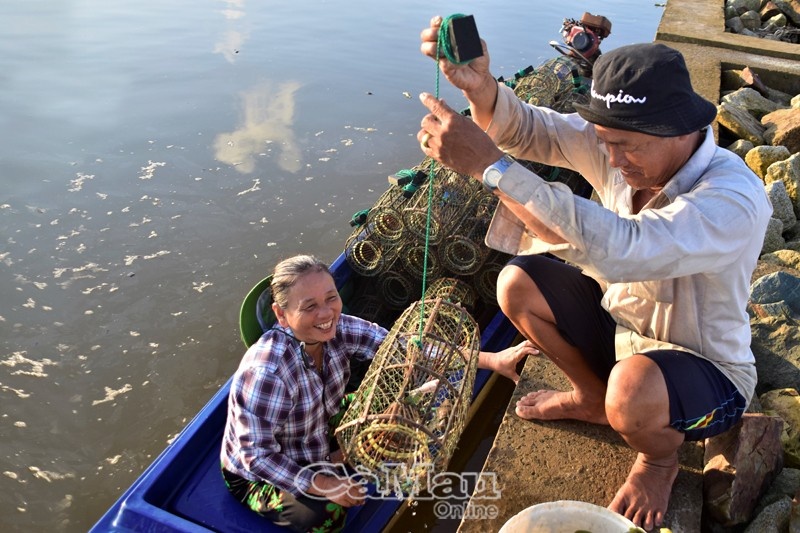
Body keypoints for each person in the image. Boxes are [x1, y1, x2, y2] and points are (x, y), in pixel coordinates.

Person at [417, 17, 772, 531]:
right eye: (604, 140)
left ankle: (659, 459)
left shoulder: (732, 199)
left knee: (630, 390)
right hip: (625, 332)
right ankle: (591, 397)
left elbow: (628, 249)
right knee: (516, 284)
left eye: (627, 145)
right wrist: (483, 90)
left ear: (680, 129)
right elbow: (533, 131)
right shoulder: (618, 145)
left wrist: (490, 168)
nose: (612, 157)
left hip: (708, 370)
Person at [221, 254, 536, 532]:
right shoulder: (267, 372)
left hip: (319, 421)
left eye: (331, 298)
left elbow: (408, 348)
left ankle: (337, 453)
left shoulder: (337, 327)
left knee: (400, 388)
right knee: (328, 515)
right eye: (309, 306)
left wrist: (492, 360)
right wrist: (324, 483)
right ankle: (334, 460)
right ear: (281, 314)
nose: (326, 313)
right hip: (258, 473)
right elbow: (256, 457)